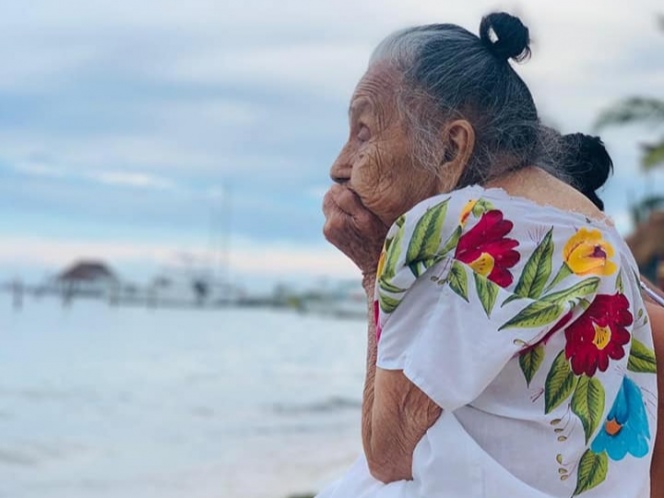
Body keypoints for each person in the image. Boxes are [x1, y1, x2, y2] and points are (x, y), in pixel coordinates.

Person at [320, 12, 656, 498]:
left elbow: (388, 456)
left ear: (450, 147)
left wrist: (375, 268)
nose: (340, 165)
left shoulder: (461, 231)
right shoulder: (598, 232)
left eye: (365, 132)